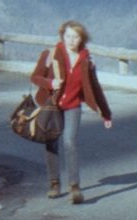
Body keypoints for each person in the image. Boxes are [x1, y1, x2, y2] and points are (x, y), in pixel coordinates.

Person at [30, 20, 113, 204]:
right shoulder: (50, 55)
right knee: (51, 141)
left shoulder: (86, 60)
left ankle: (74, 187)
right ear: (62, 36)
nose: (71, 40)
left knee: (69, 141)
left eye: (75, 37)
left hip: (73, 106)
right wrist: (50, 83)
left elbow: (95, 88)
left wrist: (106, 113)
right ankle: (54, 183)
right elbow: (34, 77)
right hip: (52, 106)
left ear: (82, 39)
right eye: (67, 36)